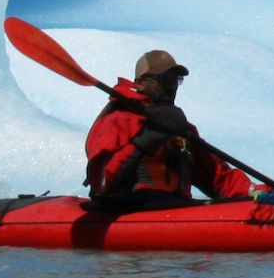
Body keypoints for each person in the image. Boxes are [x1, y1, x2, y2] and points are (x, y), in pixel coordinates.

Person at [85, 49, 255, 206]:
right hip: (129, 209)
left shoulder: (178, 128)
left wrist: (259, 192)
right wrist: (146, 139)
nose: (171, 86)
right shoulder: (118, 121)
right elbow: (101, 182)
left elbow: (218, 177)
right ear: (140, 83)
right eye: (164, 79)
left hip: (173, 210)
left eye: (175, 79)